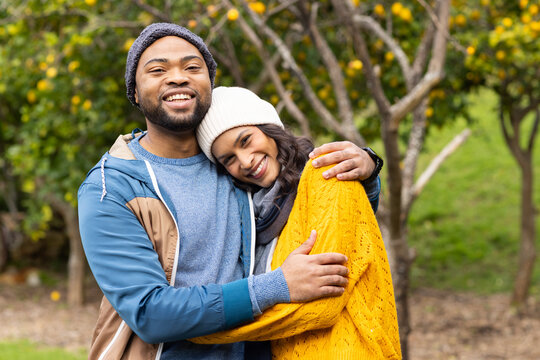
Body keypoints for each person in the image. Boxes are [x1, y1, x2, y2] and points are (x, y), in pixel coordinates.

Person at [78, 23, 383, 360]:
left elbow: (311, 214)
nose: (178, 77)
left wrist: (363, 171)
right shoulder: (112, 187)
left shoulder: (231, 165)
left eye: (192, 67)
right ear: (135, 92)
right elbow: (151, 313)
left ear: (210, 84)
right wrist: (276, 286)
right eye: (158, 70)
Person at [190, 86, 401, 359]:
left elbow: (322, 305)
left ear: (270, 128)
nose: (245, 161)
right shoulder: (248, 215)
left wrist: (203, 328)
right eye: (228, 158)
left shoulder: (326, 175)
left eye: (246, 140)